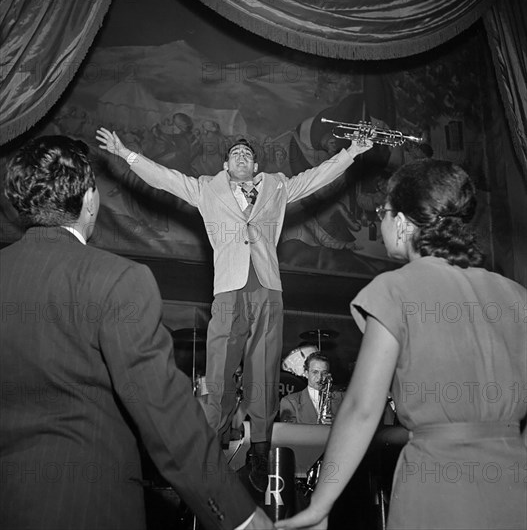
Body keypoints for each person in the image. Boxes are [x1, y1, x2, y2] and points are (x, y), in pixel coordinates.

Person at [0, 136, 273, 530]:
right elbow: (165, 418)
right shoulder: (118, 281)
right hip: (90, 508)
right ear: (90, 199)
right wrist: (242, 517)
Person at [96, 127, 373, 492]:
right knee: (220, 369)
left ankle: (260, 448)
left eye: (248, 153)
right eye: (235, 154)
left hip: (268, 288)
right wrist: (126, 153)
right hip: (228, 289)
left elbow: (315, 177)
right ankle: (210, 447)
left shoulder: (276, 186)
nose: (242, 157)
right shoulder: (207, 188)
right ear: (226, 164)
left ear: (255, 164)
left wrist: (351, 152)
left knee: (264, 367)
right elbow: (164, 179)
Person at [276, 159, 527, 530]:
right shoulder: (515, 294)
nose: (380, 221)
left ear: (404, 222)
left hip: (436, 484)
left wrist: (319, 504)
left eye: (384, 211)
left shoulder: (395, 290)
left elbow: (362, 408)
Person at [280, 352, 344, 425]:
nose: (320, 377)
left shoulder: (342, 398)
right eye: (315, 372)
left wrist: (337, 423)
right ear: (306, 373)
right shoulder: (290, 402)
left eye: (324, 373)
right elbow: (289, 434)